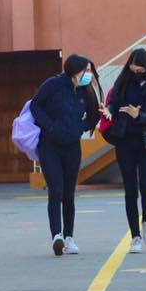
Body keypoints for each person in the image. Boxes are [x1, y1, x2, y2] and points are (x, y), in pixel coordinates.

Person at [31, 55, 105, 256]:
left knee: (68, 193)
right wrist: (50, 126)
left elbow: (93, 115)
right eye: (85, 70)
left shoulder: (85, 90)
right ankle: (57, 236)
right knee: (56, 190)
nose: (88, 74)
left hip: (72, 146)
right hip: (50, 145)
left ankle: (69, 237)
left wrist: (80, 127)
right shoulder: (53, 85)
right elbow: (35, 106)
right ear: (74, 70)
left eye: (90, 71)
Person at [103, 49, 146, 254]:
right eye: (132, 67)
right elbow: (114, 101)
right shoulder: (123, 80)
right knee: (130, 189)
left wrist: (139, 115)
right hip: (125, 140)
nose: (135, 71)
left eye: (139, 68)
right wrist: (109, 111)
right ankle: (135, 237)